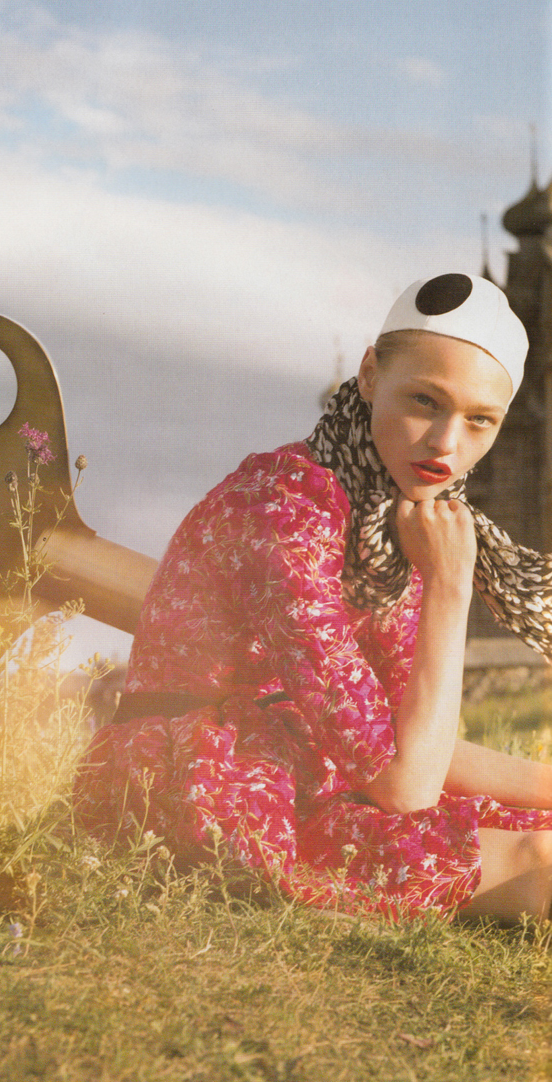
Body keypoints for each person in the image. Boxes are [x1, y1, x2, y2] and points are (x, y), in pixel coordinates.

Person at [74, 272, 552, 921]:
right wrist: (449, 585)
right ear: (369, 374)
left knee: (536, 827)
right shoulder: (285, 507)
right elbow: (407, 785)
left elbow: (408, 745)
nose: (446, 443)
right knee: (537, 858)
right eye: (425, 400)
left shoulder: (396, 519)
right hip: (207, 785)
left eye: (479, 420)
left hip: (312, 770)